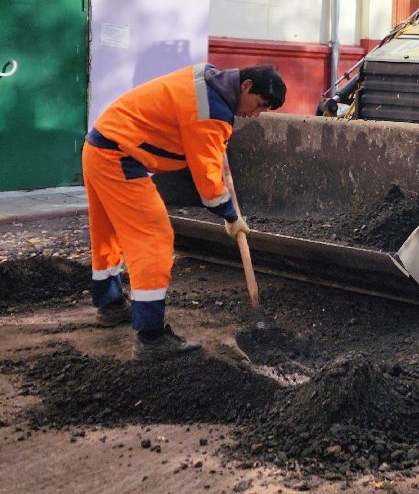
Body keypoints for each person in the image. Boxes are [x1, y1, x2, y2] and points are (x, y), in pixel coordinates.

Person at [83, 63, 286, 359]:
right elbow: (209, 189)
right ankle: (151, 338)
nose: (256, 113)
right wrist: (232, 217)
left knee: (108, 233)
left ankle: (110, 304)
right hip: (119, 157)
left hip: (100, 145)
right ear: (246, 86)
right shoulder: (213, 114)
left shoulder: (208, 78)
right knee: (154, 237)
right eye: (259, 104)